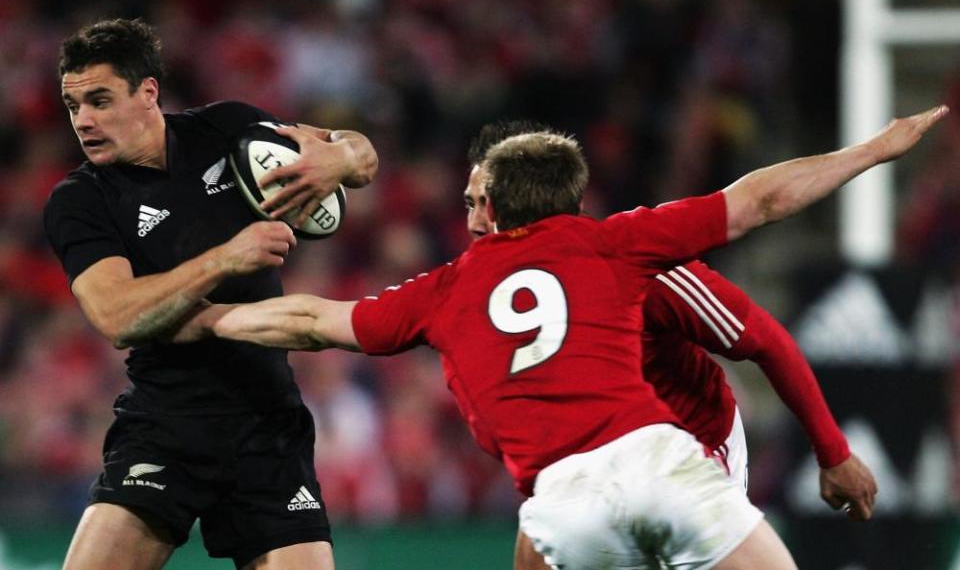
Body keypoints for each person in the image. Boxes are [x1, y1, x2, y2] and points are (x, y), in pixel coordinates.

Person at [182, 105, 946, 568]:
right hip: (661, 462)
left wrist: (204, 315)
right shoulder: (618, 245)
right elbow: (758, 201)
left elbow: (316, 320)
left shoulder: (446, 289)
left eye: (476, 197)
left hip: (565, 495)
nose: (467, 210)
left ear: (497, 203)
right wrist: (875, 150)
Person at [462, 121, 879, 569]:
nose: (473, 223)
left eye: (486, 205)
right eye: (470, 205)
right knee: (533, 551)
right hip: (586, 473)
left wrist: (833, 452)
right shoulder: (482, 297)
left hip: (688, 451)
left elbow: (766, 341)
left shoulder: (634, 264)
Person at [43, 18, 377, 570]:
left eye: (100, 101)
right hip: (166, 423)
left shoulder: (228, 129)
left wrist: (340, 158)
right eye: (73, 105)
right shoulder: (81, 201)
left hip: (268, 422)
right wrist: (228, 258)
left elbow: (361, 154)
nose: (84, 121)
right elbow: (116, 313)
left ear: (147, 91)